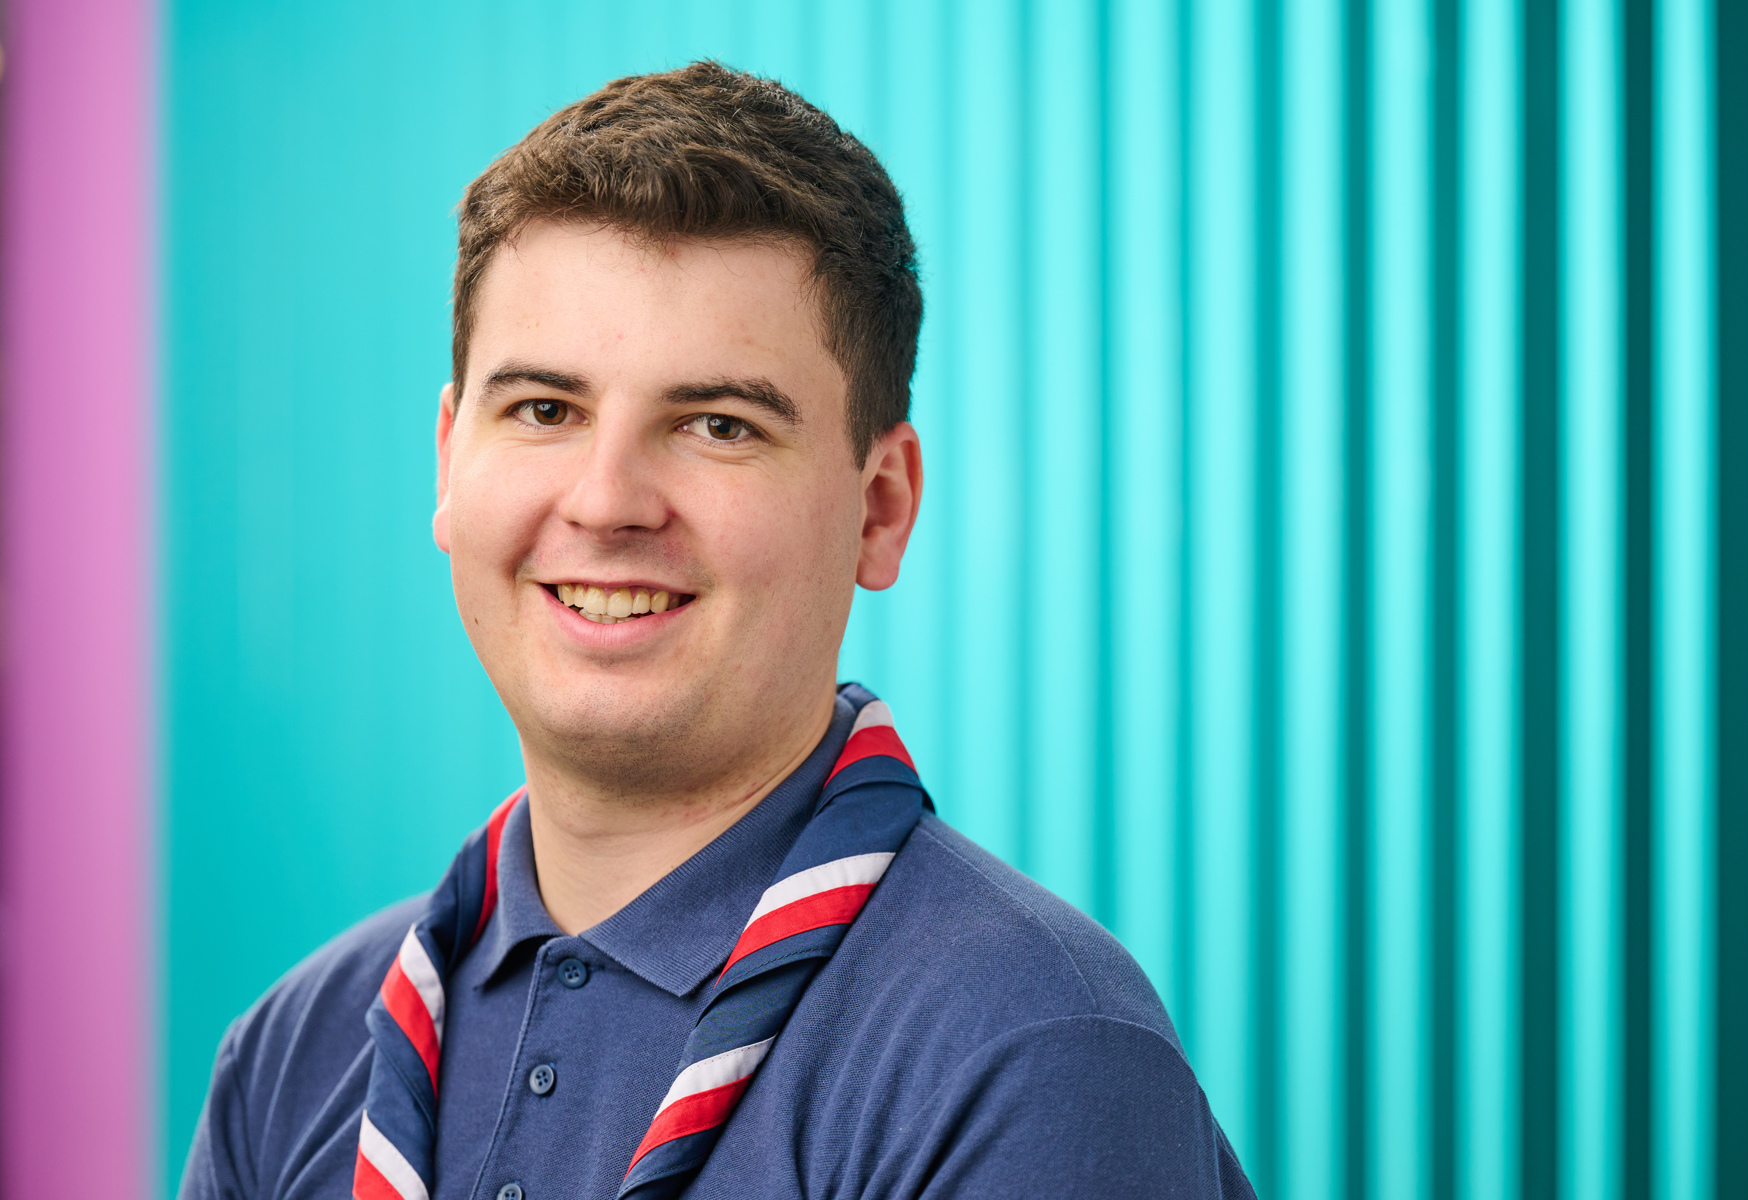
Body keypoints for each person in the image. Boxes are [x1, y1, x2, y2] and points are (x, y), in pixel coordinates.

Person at [179, 62, 1255, 1200]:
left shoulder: (1029, 1055)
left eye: (717, 425)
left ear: (879, 508)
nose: (607, 500)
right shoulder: (295, 1056)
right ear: (449, 459)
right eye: (545, 410)